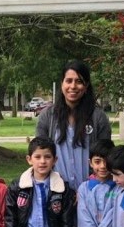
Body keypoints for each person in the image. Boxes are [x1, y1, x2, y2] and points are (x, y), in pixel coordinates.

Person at [35, 60, 112, 193]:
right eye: (68, 81)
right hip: (56, 193)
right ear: (62, 84)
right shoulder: (47, 117)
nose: (73, 86)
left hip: (91, 192)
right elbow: (40, 155)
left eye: (79, 81)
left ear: (86, 85)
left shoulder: (98, 117)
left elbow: (105, 157)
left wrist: (87, 189)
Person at [4, 137, 75, 227]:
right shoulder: (18, 187)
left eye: (47, 157)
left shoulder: (61, 188)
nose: (42, 161)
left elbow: (67, 221)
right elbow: (10, 217)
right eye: (37, 157)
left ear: (55, 160)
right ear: (29, 159)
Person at [76, 139, 117, 227]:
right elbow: (83, 217)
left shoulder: (118, 188)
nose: (103, 166)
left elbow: (114, 215)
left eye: (106, 161)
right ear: (90, 163)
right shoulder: (84, 188)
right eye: (97, 162)